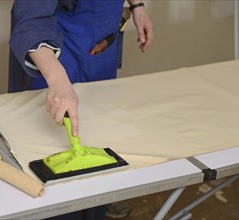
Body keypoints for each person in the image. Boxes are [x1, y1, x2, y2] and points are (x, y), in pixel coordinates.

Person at [9, 0, 153, 219]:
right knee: (49, 160)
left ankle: (96, 206)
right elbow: (32, 21)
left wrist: (137, 6)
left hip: (101, 46)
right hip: (58, 51)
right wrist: (57, 79)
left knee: (98, 139)